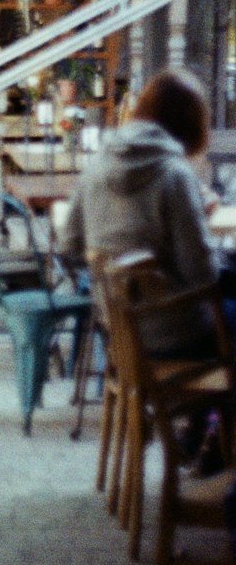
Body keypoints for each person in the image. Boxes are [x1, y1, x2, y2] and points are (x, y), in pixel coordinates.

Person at [61, 68, 218, 357]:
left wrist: (115, 271)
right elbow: (202, 273)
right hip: (174, 333)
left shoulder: (96, 166)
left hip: (118, 334)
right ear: (190, 123)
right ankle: (203, 399)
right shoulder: (174, 175)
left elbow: (69, 246)